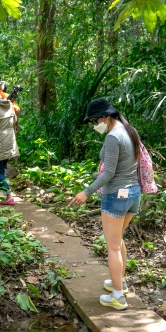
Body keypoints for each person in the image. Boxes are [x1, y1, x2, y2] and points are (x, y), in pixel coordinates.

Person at [68, 98, 142, 311]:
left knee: (112, 247)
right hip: (133, 194)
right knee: (118, 241)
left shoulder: (113, 137)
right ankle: (121, 282)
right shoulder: (129, 130)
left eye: (94, 120)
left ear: (106, 117)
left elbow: (108, 173)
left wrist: (86, 192)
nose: (94, 124)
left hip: (116, 196)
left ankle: (118, 297)